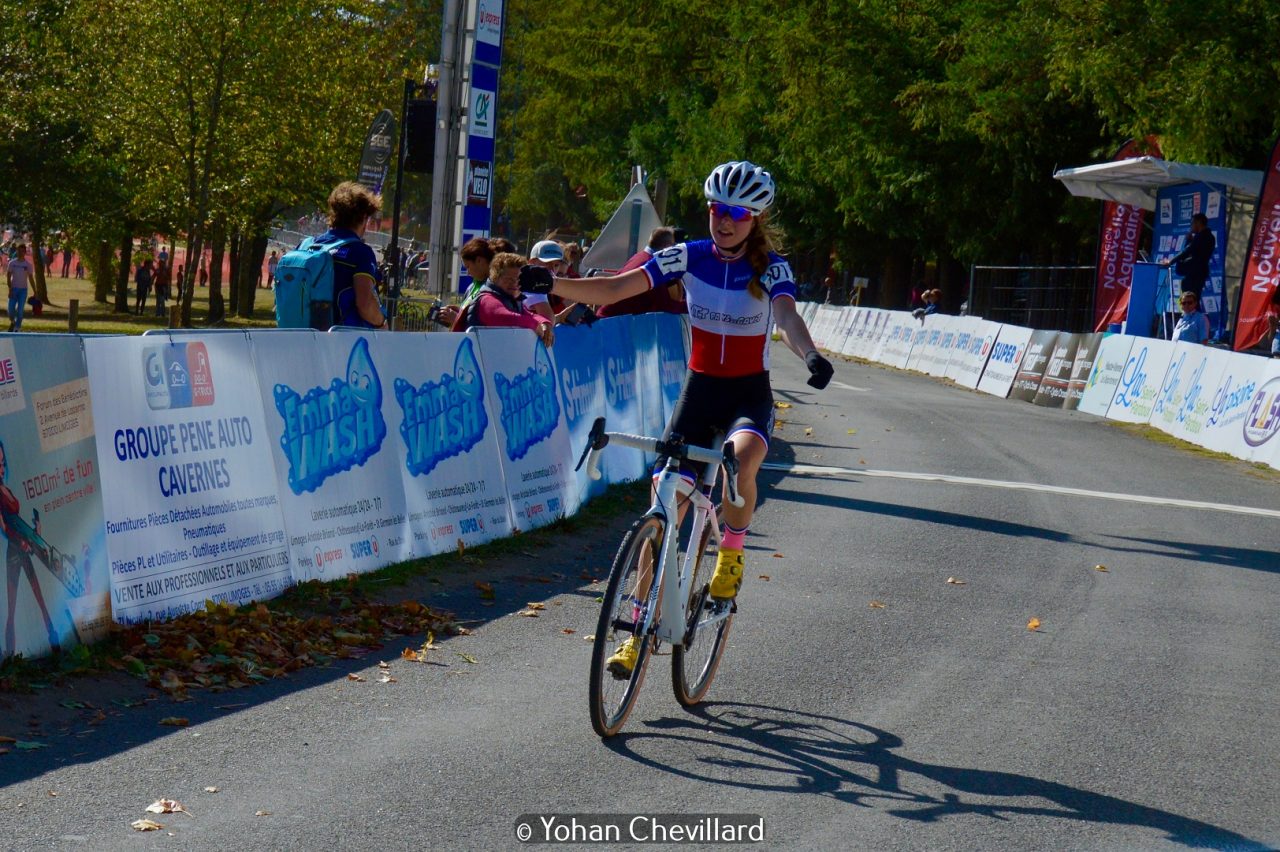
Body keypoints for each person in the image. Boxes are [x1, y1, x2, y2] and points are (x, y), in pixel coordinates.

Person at [517, 160, 833, 676]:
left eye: (736, 213)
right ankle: (637, 628)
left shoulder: (770, 267)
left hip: (747, 394)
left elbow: (786, 315)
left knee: (740, 459)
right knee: (663, 503)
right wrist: (556, 286)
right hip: (700, 389)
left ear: (754, 219)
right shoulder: (688, 256)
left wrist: (810, 355)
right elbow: (618, 288)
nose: (723, 220)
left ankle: (731, 554)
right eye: (716, 209)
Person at [0, 440, 60, 655]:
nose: (1, 467)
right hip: (14, 553)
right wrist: (21, 542)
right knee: (12, 608)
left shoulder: (4, 488)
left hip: (23, 549)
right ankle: (10, 658)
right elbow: (5, 528)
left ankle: (55, 643)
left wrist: (36, 531)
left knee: (40, 599)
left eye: (2, 463)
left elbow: (15, 523)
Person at [313, 181, 389, 329]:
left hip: (302, 335)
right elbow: (365, 304)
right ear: (363, 217)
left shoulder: (310, 245)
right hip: (341, 340)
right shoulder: (360, 252)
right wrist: (381, 322)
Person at [449, 252, 555, 348]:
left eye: (519, 279)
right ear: (495, 278)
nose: (514, 284)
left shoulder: (512, 299)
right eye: (508, 279)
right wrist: (536, 325)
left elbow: (530, 315)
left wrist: (544, 323)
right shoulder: (487, 299)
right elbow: (505, 318)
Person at [596, 226, 688, 318]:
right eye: (673, 245)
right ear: (667, 246)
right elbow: (663, 306)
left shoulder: (639, 257)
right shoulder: (652, 266)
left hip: (608, 319)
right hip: (612, 324)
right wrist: (690, 307)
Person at [1165, 213, 1215, 300]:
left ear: (1198, 223)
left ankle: (1192, 313)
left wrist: (1170, 261)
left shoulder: (1201, 236)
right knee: (1193, 299)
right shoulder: (1209, 236)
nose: (1191, 226)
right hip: (1198, 273)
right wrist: (1190, 240)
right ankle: (1193, 313)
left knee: (1190, 299)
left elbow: (1187, 251)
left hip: (1195, 274)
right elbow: (1195, 250)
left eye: (1192, 223)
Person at [5, 245, 34, 332]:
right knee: (10, 311)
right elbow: (8, 276)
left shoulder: (28, 265)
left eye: (22, 251)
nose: (20, 253)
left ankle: (17, 328)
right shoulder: (12, 263)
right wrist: (10, 289)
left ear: (25, 252)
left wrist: (35, 291)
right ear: (16, 251)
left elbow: (31, 278)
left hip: (23, 291)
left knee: (20, 311)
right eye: (19, 251)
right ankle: (13, 322)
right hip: (13, 289)